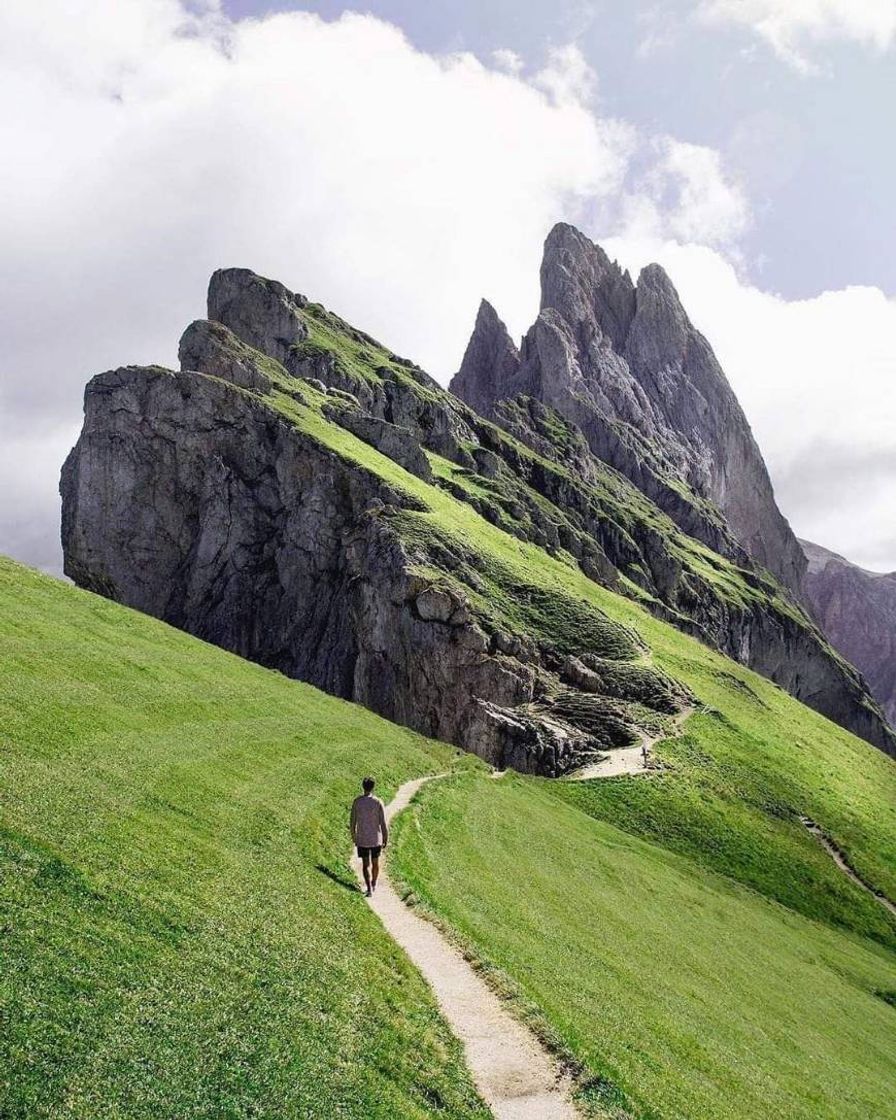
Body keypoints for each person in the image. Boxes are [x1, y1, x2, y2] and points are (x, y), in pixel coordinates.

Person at [350, 776, 388, 897]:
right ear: (373, 787)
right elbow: (383, 822)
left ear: (363, 786)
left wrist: (354, 836)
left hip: (362, 838)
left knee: (365, 864)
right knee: (375, 863)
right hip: (376, 838)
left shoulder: (357, 802)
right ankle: (374, 883)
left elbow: (352, 822)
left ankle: (369, 888)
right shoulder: (378, 802)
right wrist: (385, 837)